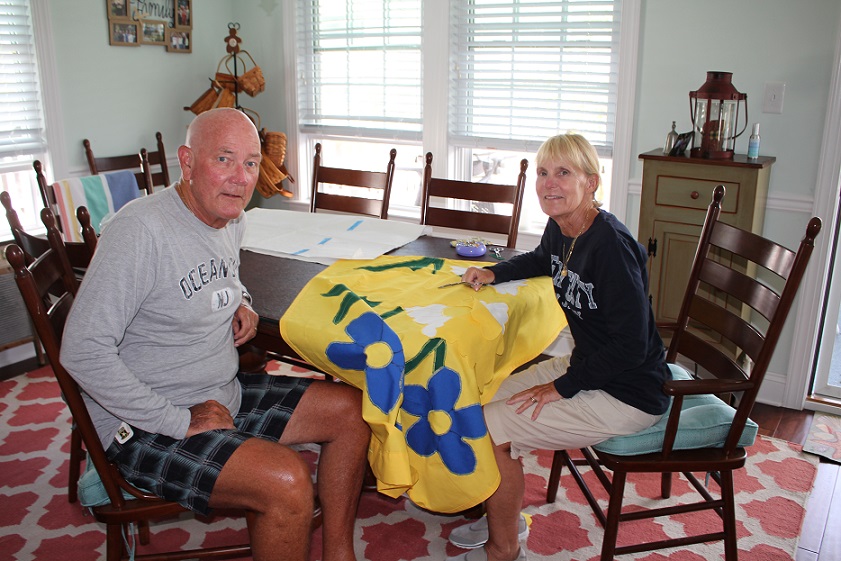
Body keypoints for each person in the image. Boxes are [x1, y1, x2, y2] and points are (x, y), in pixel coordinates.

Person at [60, 108, 370, 561]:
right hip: (145, 423)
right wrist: (178, 421)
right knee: (286, 481)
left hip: (219, 392)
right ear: (186, 163)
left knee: (353, 411)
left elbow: (219, 270)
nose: (240, 178)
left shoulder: (230, 217)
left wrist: (240, 299)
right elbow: (81, 351)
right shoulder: (139, 231)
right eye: (223, 159)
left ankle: (339, 554)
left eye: (250, 162)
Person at [446, 133, 670, 561]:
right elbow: (541, 260)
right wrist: (494, 272)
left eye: (563, 173)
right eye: (544, 173)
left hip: (628, 391)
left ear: (591, 182)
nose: (550, 184)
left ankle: (504, 547)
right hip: (591, 366)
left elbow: (632, 346)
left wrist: (563, 386)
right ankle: (502, 512)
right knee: (478, 397)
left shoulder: (610, 247)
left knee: (489, 428)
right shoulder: (564, 224)